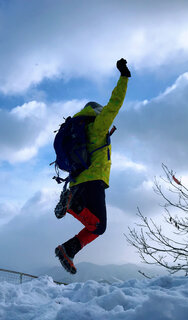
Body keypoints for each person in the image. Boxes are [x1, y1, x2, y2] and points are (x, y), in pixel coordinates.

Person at [55, 58, 131, 274]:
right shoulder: (98, 126)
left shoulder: (79, 131)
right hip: (93, 180)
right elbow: (115, 104)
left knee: (97, 226)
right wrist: (124, 77)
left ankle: (67, 250)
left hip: (76, 181)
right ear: (97, 112)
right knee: (99, 225)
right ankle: (71, 207)